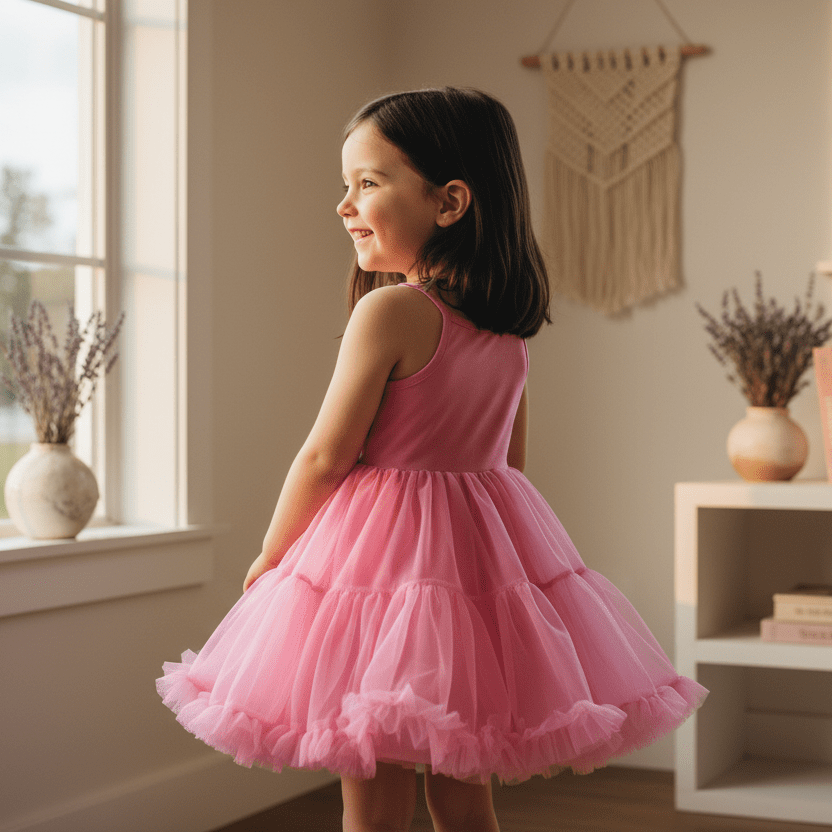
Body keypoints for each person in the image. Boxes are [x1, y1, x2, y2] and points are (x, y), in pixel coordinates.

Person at [158, 87, 707, 832]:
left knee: (372, 780)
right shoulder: (507, 336)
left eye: (368, 183)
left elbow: (325, 455)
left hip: (373, 569)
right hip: (476, 570)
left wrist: (272, 552)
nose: (345, 204)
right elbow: (509, 463)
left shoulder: (391, 311)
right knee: (462, 782)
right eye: (346, 185)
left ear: (449, 203)